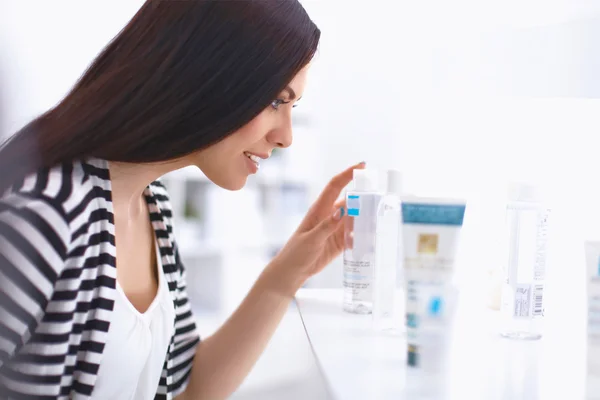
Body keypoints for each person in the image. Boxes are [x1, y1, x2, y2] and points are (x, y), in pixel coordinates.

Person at [0, 1, 364, 399]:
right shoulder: (46, 216)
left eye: (293, 107)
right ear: (208, 76)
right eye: (276, 101)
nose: (286, 136)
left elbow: (189, 388)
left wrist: (285, 278)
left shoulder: (152, 205)